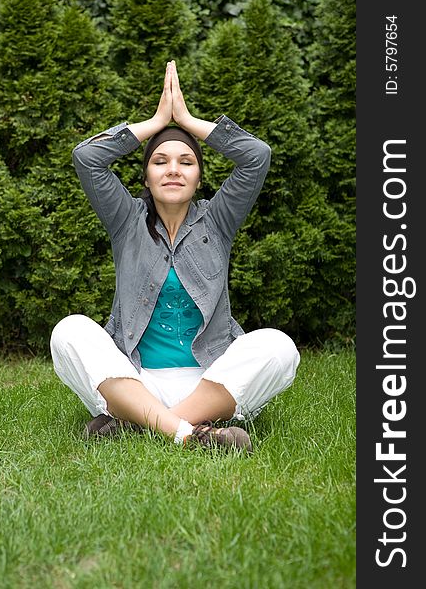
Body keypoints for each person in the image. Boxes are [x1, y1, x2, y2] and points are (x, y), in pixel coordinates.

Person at [50, 60, 300, 453]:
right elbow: (87, 157)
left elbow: (256, 155)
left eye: (186, 162)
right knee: (69, 331)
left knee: (279, 347)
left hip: (209, 381)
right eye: (159, 161)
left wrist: (186, 119)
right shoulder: (126, 220)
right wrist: (155, 123)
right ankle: (190, 434)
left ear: (199, 177)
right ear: (146, 176)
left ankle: (141, 422)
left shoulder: (217, 220)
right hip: (135, 377)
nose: (173, 170)